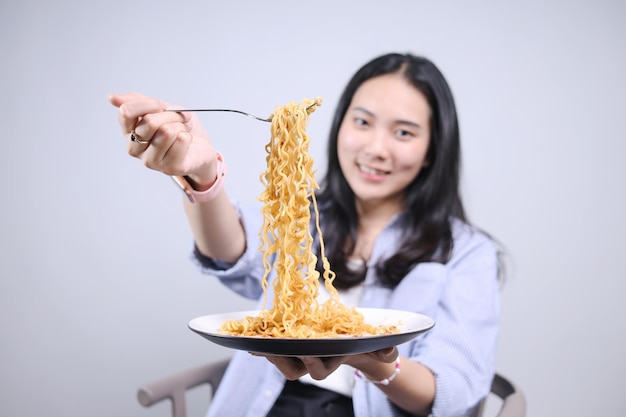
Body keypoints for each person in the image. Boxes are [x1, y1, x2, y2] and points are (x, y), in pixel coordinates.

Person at [109, 52, 501, 417]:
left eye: (403, 133)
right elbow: (232, 250)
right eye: (362, 122)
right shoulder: (304, 215)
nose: (376, 148)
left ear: (432, 149)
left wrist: (365, 356)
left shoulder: (467, 252)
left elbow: (451, 390)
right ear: (340, 125)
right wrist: (202, 174)